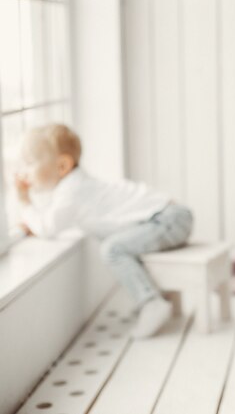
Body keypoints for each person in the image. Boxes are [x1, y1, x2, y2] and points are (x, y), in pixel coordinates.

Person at [15, 123, 194, 339]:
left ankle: (151, 302)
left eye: (29, 163)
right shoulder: (74, 186)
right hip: (166, 217)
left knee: (112, 249)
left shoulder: (71, 191)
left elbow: (49, 227)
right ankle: (150, 297)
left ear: (62, 166)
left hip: (168, 218)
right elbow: (53, 221)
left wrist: (24, 201)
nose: (23, 171)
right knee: (116, 244)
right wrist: (35, 224)